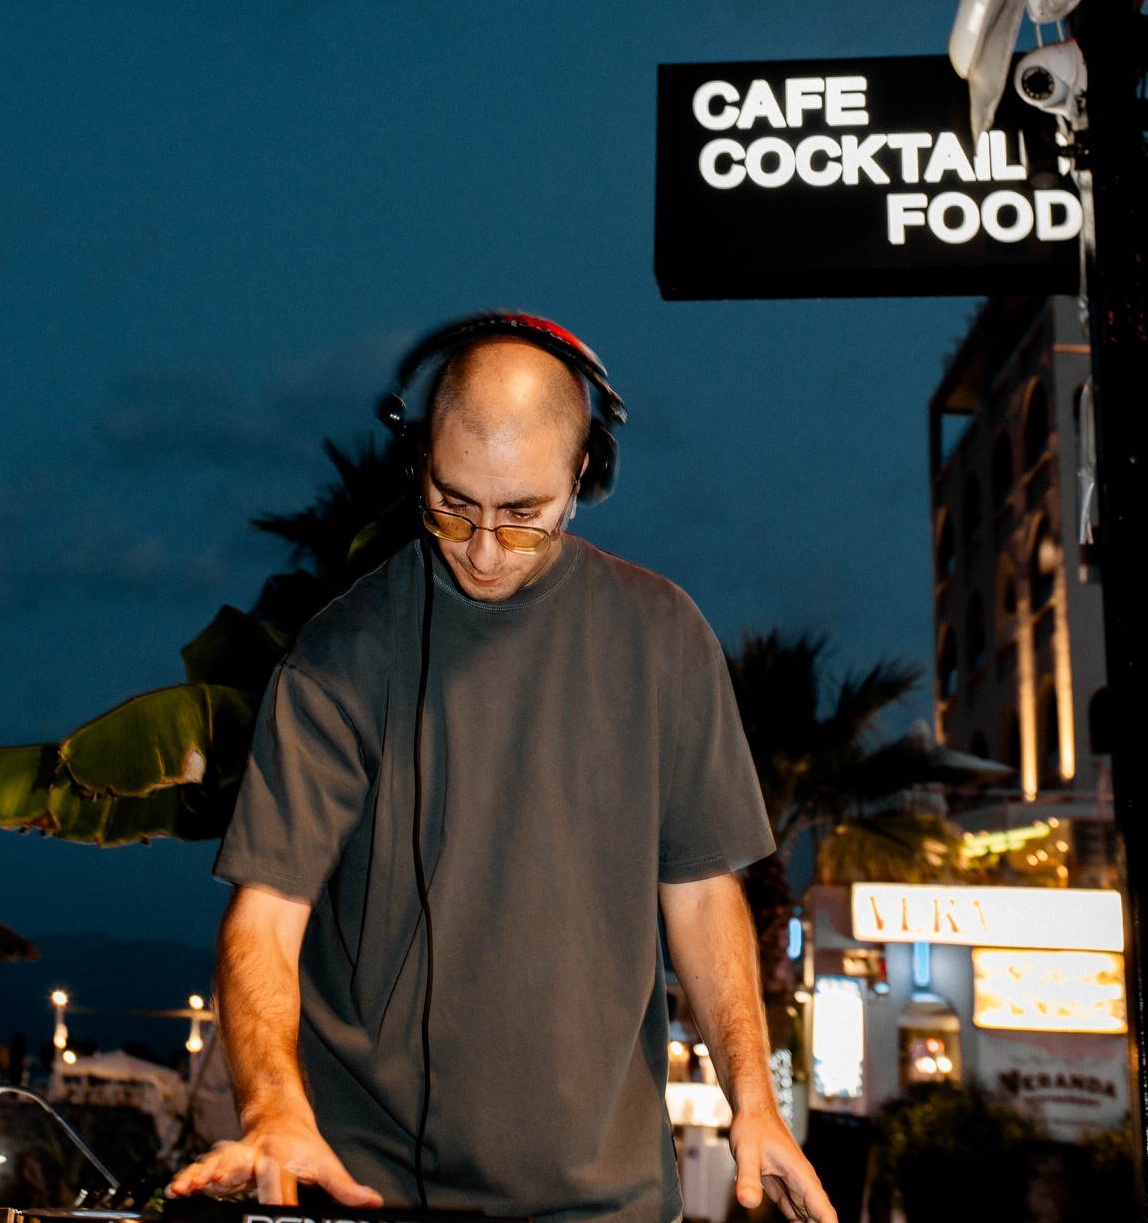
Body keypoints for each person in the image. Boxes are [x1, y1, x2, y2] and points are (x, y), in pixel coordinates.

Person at [171, 313, 835, 1223]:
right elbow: (265, 916)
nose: (483, 550)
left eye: (521, 516)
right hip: (370, 1189)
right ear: (418, 467)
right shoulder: (341, 656)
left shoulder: (664, 637)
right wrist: (276, 1107)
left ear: (584, 479)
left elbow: (701, 892)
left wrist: (752, 1099)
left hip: (610, 1198)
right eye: (453, 505)